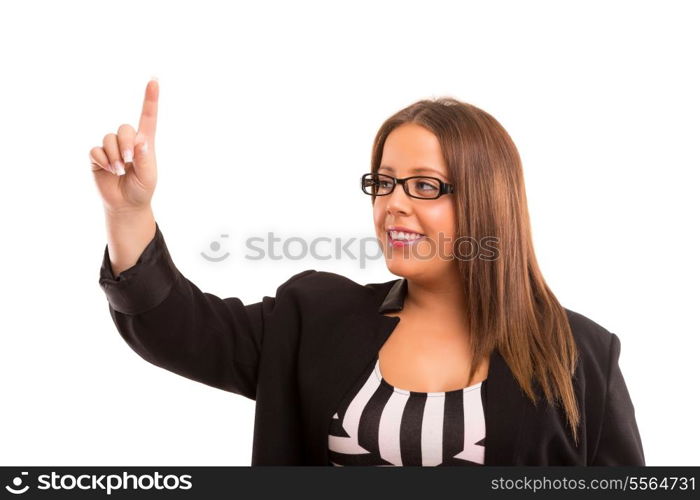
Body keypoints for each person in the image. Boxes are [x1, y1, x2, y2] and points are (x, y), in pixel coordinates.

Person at [91, 79, 645, 466]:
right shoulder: (314, 318)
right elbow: (174, 326)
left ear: (486, 201)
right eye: (383, 182)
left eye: (424, 185)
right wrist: (128, 211)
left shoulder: (582, 355)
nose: (392, 204)